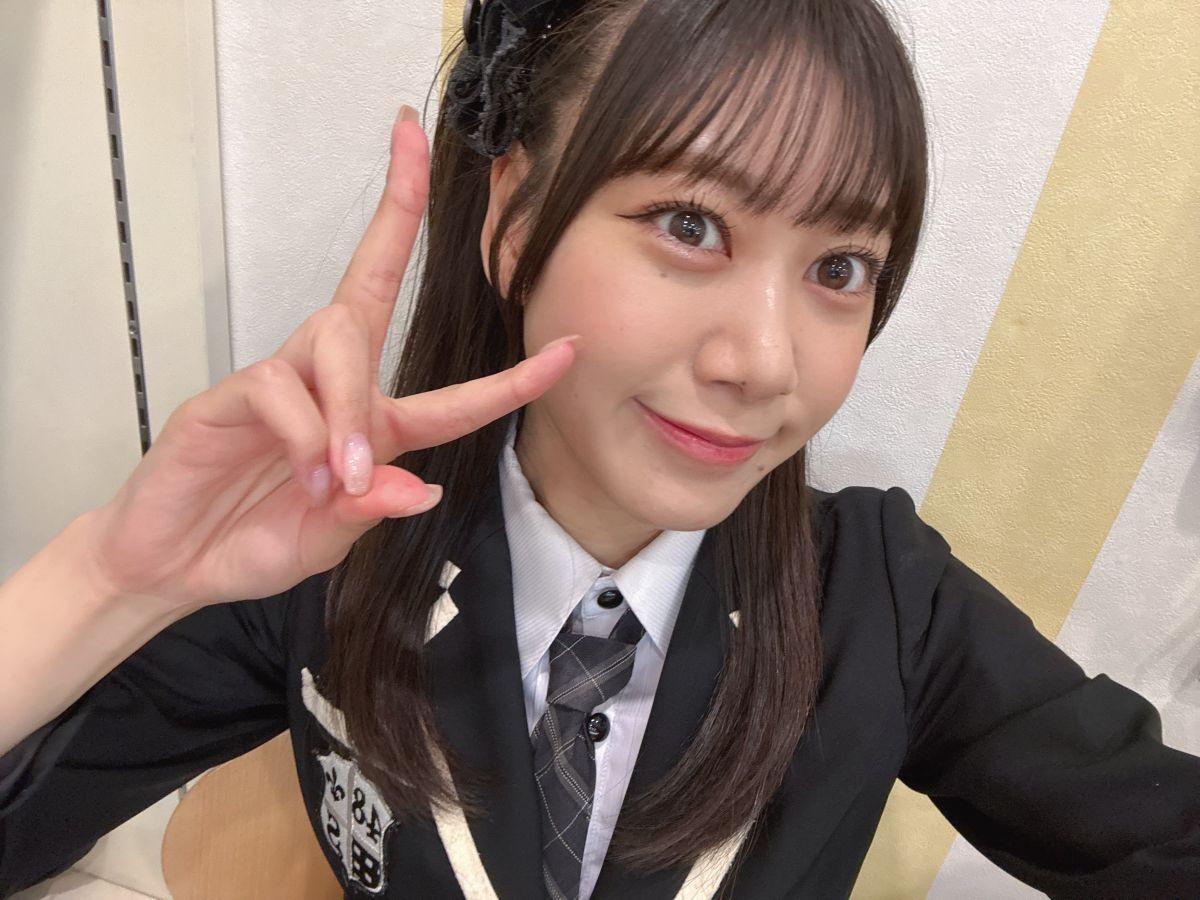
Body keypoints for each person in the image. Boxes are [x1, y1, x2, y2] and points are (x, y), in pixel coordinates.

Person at [2, 0, 1198, 897]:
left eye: (839, 268)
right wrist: (111, 578)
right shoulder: (333, 548)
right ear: (513, 221)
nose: (765, 361)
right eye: (690, 224)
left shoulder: (883, 603)